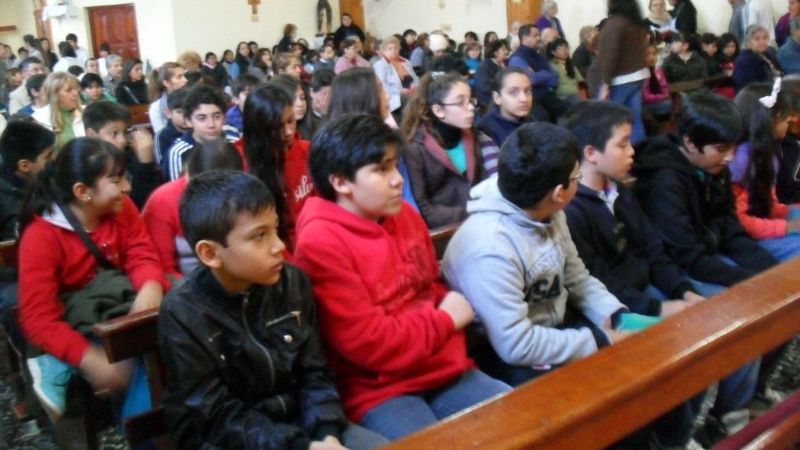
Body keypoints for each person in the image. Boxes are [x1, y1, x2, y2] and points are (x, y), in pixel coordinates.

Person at [293, 114, 510, 440]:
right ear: (341, 182)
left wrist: (443, 315)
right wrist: (445, 322)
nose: (397, 180)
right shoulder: (320, 242)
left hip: (441, 366)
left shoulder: (403, 214)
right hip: (379, 389)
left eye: (395, 166)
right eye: (381, 170)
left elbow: (431, 289)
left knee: (523, 417)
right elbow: (371, 343)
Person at [563, 99, 762, 442]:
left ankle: (690, 428)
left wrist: (684, 291)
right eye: (623, 144)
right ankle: (671, 437)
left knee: (720, 329)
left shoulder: (618, 193)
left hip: (646, 292)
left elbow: (655, 253)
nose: (632, 153)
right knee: (685, 351)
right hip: (615, 311)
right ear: (592, 153)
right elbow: (599, 284)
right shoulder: (572, 211)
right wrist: (661, 309)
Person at [158, 169, 385, 449]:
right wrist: (301, 446)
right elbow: (217, 416)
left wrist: (327, 433)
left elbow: (315, 373)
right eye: (259, 236)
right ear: (211, 254)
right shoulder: (183, 313)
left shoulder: (291, 283)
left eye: (276, 229)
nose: (279, 246)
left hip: (303, 428)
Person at [441, 121, 628, 386]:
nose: (581, 181)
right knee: (611, 389)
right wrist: (599, 340)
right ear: (559, 193)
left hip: (556, 327)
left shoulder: (548, 210)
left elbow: (576, 277)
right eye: (577, 177)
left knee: (644, 359)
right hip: (502, 355)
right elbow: (515, 344)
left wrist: (613, 315)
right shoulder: (489, 248)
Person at [19, 137, 167, 421]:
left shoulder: (122, 208)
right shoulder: (41, 237)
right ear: (82, 191)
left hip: (126, 299)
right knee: (135, 364)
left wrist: (150, 285)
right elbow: (38, 318)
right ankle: (148, 433)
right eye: (116, 180)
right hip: (89, 321)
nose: (127, 187)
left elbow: (141, 251)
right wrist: (88, 358)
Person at [632, 92, 777, 294]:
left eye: (733, 148)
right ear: (690, 143)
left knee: (781, 271)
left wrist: (771, 272)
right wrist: (752, 282)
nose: (730, 158)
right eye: (721, 149)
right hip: (681, 269)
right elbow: (685, 257)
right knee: (756, 296)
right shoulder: (663, 182)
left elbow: (730, 226)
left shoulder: (714, 165)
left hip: (712, 252)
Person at [401, 73, 495, 228]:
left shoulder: (471, 135)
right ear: (439, 111)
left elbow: (483, 182)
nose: (471, 107)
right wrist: (471, 212)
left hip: (480, 222)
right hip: (445, 231)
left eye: (470, 100)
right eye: (461, 102)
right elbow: (423, 208)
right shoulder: (415, 148)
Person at [143, 140, 242, 280]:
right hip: (187, 286)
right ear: (188, 174)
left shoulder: (244, 195)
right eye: (204, 190)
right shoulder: (163, 201)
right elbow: (163, 269)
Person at [326, 67, 418, 210]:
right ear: (362, 99)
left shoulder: (387, 137)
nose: (387, 96)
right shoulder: (342, 152)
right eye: (380, 90)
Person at [729, 82, 800, 261]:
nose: (790, 122)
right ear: (770, 120)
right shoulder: (741, 161)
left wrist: (787, 211)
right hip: (745, 236)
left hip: (764, 219)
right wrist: (786, 227)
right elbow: (740, 221)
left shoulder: (765, 151)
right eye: (785, 119)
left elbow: (767, 202)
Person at [237, 84, 313, 251]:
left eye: (291, 121)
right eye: (276, 127)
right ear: (258, 129)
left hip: (311, 240)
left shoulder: (308, 150)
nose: (287, 132)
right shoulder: (240, 162)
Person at [0, 121, 54, 353]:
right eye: (48, 157)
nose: (55, 162)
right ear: (25, 166)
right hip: (13, 274)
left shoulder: (50, 181)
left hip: (56, 261)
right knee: (17, 301)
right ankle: (35, 360)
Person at [83, 101, 162, 209]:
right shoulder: (87, 167)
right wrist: (145, 164)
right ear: (92, 134)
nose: (122, 140)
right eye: (114, 133)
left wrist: (146, 162)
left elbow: (154, 201)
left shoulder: (129, 156)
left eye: (125, 132)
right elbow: (133, 205)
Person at [592, 0, 650, 144]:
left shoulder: (615, 23)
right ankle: (640, 153)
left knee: (613, 121)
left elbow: (611, 55)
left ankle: (618, 157)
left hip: (621, 79)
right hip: (638, 76)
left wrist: (605, 83)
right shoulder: (636, 22)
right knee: (635, 120)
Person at [164, 84, 240, 180]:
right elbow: (178, 191)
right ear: (188, 121)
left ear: (225, 118)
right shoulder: (178, 153)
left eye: (217, 117)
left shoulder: (234, 141)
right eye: (202, 118)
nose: (211, 124)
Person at [508, 24, 565, 122]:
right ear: (525, 38)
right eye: (535, 35)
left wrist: (541, 76)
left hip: (547, 95)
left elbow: (555, 77)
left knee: (569, 110)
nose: (539, 38)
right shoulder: (517, 58)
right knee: (543, 117)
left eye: (539, 35)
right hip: (530, 99)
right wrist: (546, 75)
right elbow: (530, 79)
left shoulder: (539, 56)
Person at [477, 67, 533, 158]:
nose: (524, 99)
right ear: (497, 98)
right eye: (513, 92)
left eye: (528, 91)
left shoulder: (531, 121)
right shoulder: (487, 131)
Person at [32, 72, 85, 150]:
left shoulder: (87, 111)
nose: (75, 93)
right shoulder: (39, 119)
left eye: (76, 89)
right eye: (68, 90)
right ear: (55, 94)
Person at [373, 35, 419, 119]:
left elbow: (415, 79)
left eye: (395, 48)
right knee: (409, 103)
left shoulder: (406, 62)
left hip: (411, 95)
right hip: (393, 98)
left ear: (399, 49)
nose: (393, 51)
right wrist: (400, 91)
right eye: (390, 49)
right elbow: (382, 86)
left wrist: (414, 88)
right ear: (384, 51)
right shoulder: (380, 65)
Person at [733, 25, 782, 91]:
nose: (762, 42)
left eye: (765, 38)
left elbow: (779, 71)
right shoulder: (745, 60)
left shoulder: (768, 53)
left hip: (774, 89)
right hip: (753, 96)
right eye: (757, 39)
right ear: (749, 42)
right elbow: (753, 88)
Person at [155, 87, 190, 170]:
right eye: (179, 112)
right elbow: (162, 165)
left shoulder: (198, 131)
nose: (185, 116)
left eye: (189, 111)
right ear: (169, 113)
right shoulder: (162, 136)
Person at [147, 62, 187, 133]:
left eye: (184, 76)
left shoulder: (194, 99)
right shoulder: (156, 108)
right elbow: (161, 134)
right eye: (179, 77)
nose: (185, 80)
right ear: (166, 83)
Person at [474, 40, 510, 109]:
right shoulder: (485, 66)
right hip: (488, 103)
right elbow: (485, 87)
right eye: (503, 49)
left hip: (501, 98)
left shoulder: (503, 64)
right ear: (496, 53)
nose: (506, 51)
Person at [547, 38, 583, 105]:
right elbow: (559, 89)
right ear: (553, 52)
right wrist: (578, 91)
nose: (565, 50)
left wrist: (585, 96)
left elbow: (581, 81)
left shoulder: (571, 65)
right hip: (564, 98)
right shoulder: (551, 66)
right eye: (561, 48)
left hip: (577, 95)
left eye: (566, 47)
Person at [642, 43, 673, 119]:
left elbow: (664, 86)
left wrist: (665, 94)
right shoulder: (641, 73)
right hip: (646, 104)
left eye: (654, 54)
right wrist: (661, 97)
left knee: (669, 104)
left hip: (659, 100)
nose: (652, 57)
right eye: (647, 55)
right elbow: (645, 96)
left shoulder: (658, 71)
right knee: (667, 104)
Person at [306, 68, 335, 138]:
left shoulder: (339, 111)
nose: (328, 98)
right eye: (324, 93)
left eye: (332, 94)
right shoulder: (304, 116)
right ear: (312, 92)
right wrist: (324, 113)